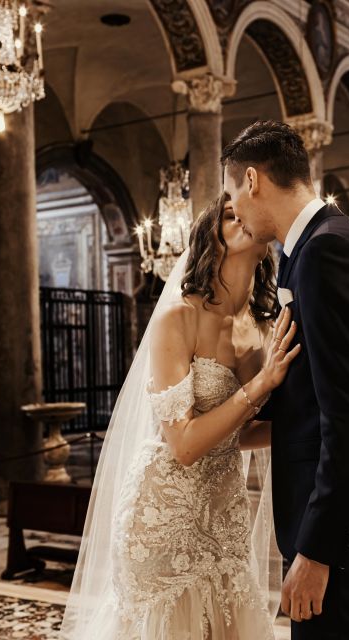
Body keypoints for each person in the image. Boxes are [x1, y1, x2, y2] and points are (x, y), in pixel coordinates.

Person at [61, 196, 301, 639]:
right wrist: (261, 384)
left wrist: (305, 429)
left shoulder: (264, 326)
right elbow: (185, 445)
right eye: (228, 215)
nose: (241, 217)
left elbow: (236, 433)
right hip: (164, 511)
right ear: (210, 238)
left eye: (244, 211)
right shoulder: (179, 317)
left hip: (223, 513)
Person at [223, 120, 349, 639]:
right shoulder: (334, 241)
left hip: (341, 534)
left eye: (232, 196)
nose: (235, 211)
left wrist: (317, 550)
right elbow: (318, 397)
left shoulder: (324, 252)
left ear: (251, 179)